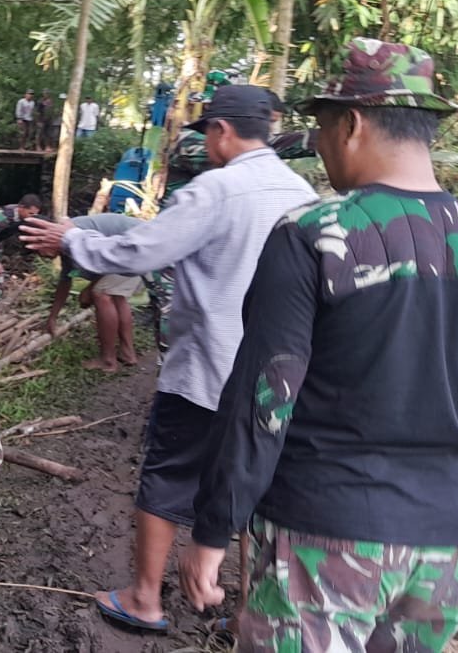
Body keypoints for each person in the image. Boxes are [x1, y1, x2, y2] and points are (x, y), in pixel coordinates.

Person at [179, 38, 458, 652]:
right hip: (446, 547)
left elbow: (266, 396)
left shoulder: (313, 236)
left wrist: (215, 527)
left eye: (321, 128)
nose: (319, 147)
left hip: (325, 537)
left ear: (351, 124)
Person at [19, 84, 317, 633]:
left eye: (208, 133)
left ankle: (144, 599)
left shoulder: (215, 189)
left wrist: (71, 241)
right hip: (276, 382)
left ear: (221, 131)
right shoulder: (304, 193)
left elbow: (142, 250)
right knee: (257, 488)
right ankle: (249, 615)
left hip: (206, 369)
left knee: (167, 477)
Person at [145, 91, 317, 353]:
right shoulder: (190, 142)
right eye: (265, 123)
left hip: (207, 251)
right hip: (174, 255)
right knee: (180, 334)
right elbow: (253, 150)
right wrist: (314, 139)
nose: (265, 130)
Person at [44, 212, 142, 372]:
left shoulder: (72, 232)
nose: (43, 255)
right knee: (116, 296)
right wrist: (53, 316)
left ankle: (108, 361)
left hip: (133, 245)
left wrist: (89, 289)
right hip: (134, 246)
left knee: (101, 294)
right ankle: (127, 353)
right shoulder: (65, 244)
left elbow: (105, 259)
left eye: (39, 250)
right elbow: (65, 281)